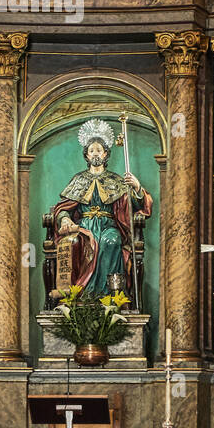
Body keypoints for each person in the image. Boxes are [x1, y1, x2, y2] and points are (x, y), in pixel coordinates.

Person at [52, 120, 152, 300]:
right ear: (86, 155)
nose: (95, 154)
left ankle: (110, 296)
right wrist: (64, 219)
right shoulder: (78, 180)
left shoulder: (116, 180)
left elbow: (136, 206)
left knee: (111, 241)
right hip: (84, 227)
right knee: (78, 243)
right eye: (91, 151)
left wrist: (137, 188)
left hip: (108, 225)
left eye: (99, 150)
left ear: (106, 154)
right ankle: (81, 295)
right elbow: (63, 207)